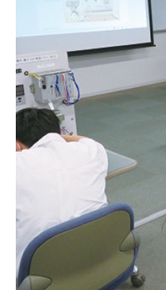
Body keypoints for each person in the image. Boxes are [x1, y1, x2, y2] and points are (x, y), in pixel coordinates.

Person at [15, 107, 107, 270]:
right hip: (100, 256)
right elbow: (86, 139)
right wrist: (54, 137)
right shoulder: (92, 150)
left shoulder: (17, 163)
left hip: (39, 271)